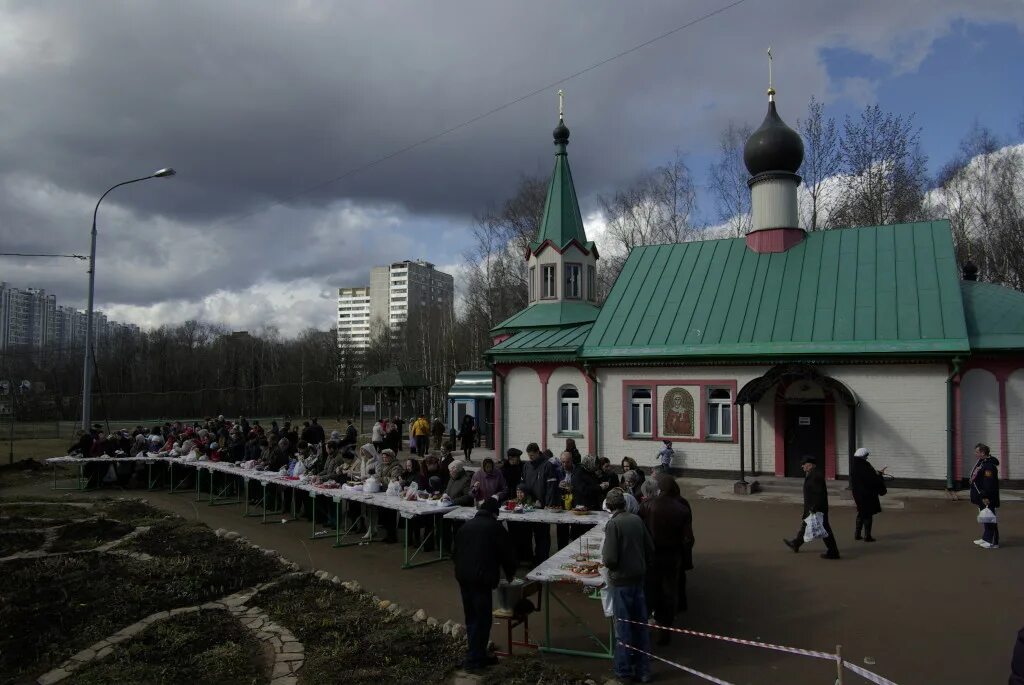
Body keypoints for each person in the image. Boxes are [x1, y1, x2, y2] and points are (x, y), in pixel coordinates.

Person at [453, 497, 517, 672]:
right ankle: (474, 661)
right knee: (482, 619)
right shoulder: (495, 528)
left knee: (471, 617)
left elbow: (454, 553)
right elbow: (507, 554)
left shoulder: (465, 526)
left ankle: (476, 653)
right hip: (481, 579)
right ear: (494, 513)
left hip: (463, 577)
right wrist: (510, 573)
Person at [602, 488, 654, 683]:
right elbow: (650, 548)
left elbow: (609, 558)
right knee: (640, 625)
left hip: (621, 582)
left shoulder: (613, 524)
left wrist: (612, 568)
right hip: (638, 579)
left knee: (623, 628)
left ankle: (623, 670)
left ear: (609, 506)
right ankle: (644, 670)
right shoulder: (636, 520)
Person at [639, 473, 692, 644]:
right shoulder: (682, 507)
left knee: (650, 590)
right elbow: (688, 539)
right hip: (672, 556)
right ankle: (665, 630)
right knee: (669, 593)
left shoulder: (647, 505)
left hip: (651, 556)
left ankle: (645, 630)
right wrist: (684, 557)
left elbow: (640, 530)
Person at [783, 456, 840, 559]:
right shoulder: (812, 474)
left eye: (804, 464)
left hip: (817, 509)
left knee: (825, 529)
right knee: (806, 525)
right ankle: (796, 543)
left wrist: (814, 508)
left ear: (810, 465)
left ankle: (833, 551)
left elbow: (818, 494)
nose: (802, 466)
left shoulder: (815, 476)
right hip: (813, 507)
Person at [520, 442, 560, 564]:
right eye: (529, 456)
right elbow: (523, 484)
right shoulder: (526, 466)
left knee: (542, 535)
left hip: (543, 507)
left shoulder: (547, 465)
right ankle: (529, 558)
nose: (530, 458)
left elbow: (551, 487)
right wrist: (525, 498)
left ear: (538, 452)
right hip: (529, 505)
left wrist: (547, 503)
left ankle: (542, 559)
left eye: (532, 455)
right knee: (527, 534)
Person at [850, 447, 887, 542]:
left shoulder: (855, 465)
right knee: (868, 514)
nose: (867, 458)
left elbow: (868, 476)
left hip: (858, 494)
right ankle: (867, 536)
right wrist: (879, 476)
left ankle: (857, 534)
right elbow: (872, 479)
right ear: (862, 456)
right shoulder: (865, 466)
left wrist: (877, 473)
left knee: (861, 512)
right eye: (866, 456)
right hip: (867, 494)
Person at [970, 442, 1000, 549]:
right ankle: (986, 538)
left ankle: (993, 542)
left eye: (977, 452)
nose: (975, 454)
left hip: (987, 497)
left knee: (990, 518)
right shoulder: (982, 462)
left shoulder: (989, 466)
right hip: (981, 496)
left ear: (983, 453)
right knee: (985, 517)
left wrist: (985, 496)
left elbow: (989, 483)